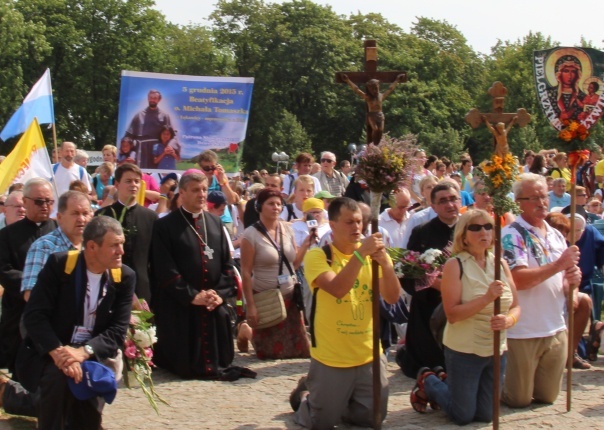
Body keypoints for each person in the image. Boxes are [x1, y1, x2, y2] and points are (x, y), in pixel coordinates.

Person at [292, 197, 401, 428]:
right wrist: (361, 256)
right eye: (349, 222)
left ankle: (342, 400)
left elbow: (392, 297)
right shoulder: (318, 256)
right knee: (320, 423)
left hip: (368, 353)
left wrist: (387, 266)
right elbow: (338, 289)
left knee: (372, 419)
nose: (357, 228)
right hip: (332, 356)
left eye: (360, 222)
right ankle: (306, 398)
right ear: (332, 225)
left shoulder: (373, 255)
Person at [18, 216, 134, 429]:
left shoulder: (124, 277)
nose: (121, 251)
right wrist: (60, 354)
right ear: (91, 246)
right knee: (57, 379)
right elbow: (35, 316)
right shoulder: (60, 265)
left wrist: (82, 352)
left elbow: (117, 330)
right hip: (54, 351)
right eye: (114, 245)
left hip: (92, 353)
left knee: (87, 394)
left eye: (122, 244)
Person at [411, 209, 520, 423]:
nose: (484, 232)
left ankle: (450, 383)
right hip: (465, 349)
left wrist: (509, 320)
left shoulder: (500, 263)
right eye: (476, 227)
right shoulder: (455, 265)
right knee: (463, 415)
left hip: (496, 347)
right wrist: (487, 298)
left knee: (487, 415)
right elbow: (452, 314)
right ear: (463, 235)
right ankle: (430, 381)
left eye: (488, 226)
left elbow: (516, 306)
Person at [501, 173, 581, 407]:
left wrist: (572, 285)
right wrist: (558, 265)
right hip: (524, 331)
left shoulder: (556, 234)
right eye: (534, 198)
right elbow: (518, 279)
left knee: (547, 397)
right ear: (519, 202)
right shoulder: (511, 235)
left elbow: (567, 276)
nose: (542, 202)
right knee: (518, 399)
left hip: (555, 326)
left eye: (544, 196)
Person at [151, 172, 238, 379]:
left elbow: (227, 264)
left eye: (204, 190)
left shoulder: (216, 223)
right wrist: (192, 296)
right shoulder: (164, 226)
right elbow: (164, 269)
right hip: (182, 306)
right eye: (195, 190)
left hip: (212, 303)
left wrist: (218, 294)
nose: (201, 194)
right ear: (182, 193)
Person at [239, 188, 312, 359]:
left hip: (289, 295)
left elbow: (294, 264)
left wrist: (306, 245)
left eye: (279, 204)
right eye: (271, 204)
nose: (276, 208)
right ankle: (246, 330)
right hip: (265, 296)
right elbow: (246, 272)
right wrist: (250, 306)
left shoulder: (287, 229)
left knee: (301, 351)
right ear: (259, 206)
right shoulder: (251, 235)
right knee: (268, 353)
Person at [399, 182, 461, 379]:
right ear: (433, 206)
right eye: (443, 201)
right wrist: (434, 283)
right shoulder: (422, 232)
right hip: (429, 306)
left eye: (453, 199)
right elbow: (407, 271)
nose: (449, 205)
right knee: (430, 363)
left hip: (465, 304)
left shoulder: (472, 228)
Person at [0, 178, 57, 372]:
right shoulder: (7, 235)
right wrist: (35, 285)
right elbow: (4, 271)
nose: (45, 206)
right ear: (25, 202)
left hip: (54, 309)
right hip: (18, 310)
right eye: (39, 201)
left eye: (49, 201)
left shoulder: (60, 232)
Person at [96, 163, 157, 302]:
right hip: (107, 285)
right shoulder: (103, 215)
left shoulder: (151, 217)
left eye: (137, 181)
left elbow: (154, 258)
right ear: (116, 184)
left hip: (142, 287)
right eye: (128, 181)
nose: (133, 185)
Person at [21, 191, 93, 302]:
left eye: (85, 213)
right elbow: (31, 294)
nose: (81, 219)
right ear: (59, 217)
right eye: (75, 213)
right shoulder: (44, 247)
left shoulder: (94, 246)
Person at [341, 73, 406, 145]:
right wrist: (347, 80)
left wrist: (397, 80)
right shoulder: (368, 98)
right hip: (371, 115)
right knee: (375, 129)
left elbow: (390, 89)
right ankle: (373, 145)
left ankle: (377, 145)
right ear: (369, 89)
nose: (375, 91)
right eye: (372, 89)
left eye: (376, 88)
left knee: (380, 130)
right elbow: (357, 90)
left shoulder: (380, 96)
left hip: (380, 114)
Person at [124, 89, 173, 169]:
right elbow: (128, 136)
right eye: (151, 97)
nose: (152, 100)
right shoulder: (138, 115)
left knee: (156, 174)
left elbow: (170, 134)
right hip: (141, 149)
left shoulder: (164, 116)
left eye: (155, 98)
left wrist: (168, 147)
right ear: (148, 98)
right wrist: (130, 153)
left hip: (157, 150)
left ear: (159, 100)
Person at [547, 54, 586, 122]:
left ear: (577, 74)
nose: (570, 75)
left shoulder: (582, 95)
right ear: (559, 73)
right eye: (566, 71)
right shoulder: (551, 93)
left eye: (573, 71)